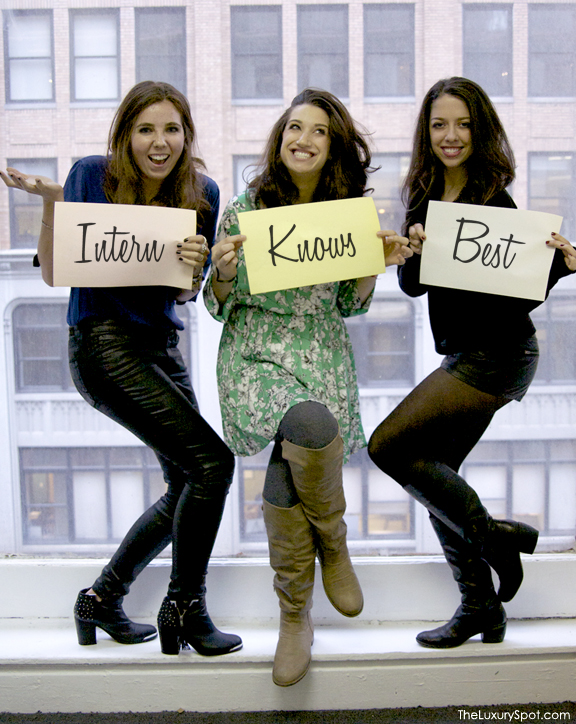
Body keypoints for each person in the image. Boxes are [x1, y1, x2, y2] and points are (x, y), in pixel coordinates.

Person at [1, 81, 242, 658]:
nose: (160, 142)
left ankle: (101, 599)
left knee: (188, 482)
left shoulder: (202, 193)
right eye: (145, 129)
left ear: (186, 136)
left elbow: (185, 294)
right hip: (102, 342)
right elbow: (55, 273)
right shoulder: (92, 175)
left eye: (171, 130)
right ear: (125, 135)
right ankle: (185, 606)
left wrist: (195, 266)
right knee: (213, 465)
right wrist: (53, 204)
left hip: (162, 345)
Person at [201, 88, 411, 686]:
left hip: (320, 351)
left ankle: (296, 615)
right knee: (307, 422)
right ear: (280, 137)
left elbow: (349, 303)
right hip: (254, 353)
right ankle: (333, 543)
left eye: (319, 131)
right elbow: (216, 306)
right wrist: (222, 273)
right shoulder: (244, 211)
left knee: (298, 447)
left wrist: (374, 266)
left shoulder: (347, 216)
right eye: (295, 127)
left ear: (334, 146)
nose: (304, 139)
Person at [367, 77, 576, 649]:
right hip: (465, 353)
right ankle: (481, 606)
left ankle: (496, 537)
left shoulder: (493, 198)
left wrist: (560, 268)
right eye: (439, 124)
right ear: (427, 132)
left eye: (462, 124)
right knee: (438, 477)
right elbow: (414, 285)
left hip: (501, 353)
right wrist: (410, 250)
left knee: (387, 447)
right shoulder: (425, 195)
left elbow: (516, 293)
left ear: (479, 130)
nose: (451, 135)